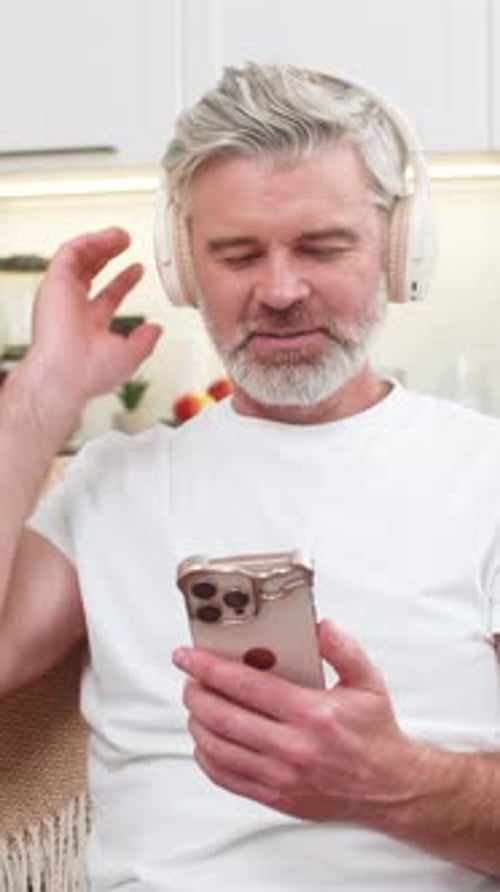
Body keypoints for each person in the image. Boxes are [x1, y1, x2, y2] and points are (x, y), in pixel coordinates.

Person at [1, 62, 500, 892]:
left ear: (399, 249)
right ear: (184, 268)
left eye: (322, 246)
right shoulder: (110, 482)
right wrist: (39, 393)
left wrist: (394, 781)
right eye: (236, 255)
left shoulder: (487, 472)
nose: (278, 290)